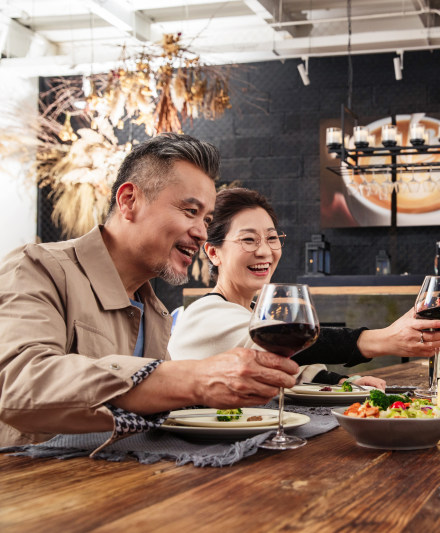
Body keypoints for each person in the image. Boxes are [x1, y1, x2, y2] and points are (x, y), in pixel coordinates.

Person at [0, 133, 299, 448]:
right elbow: (17, 383)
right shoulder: (36, 268)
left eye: (207, 219)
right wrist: (192, 378)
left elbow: (158, 413)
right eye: (189, 211)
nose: (201, 233)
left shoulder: (155, 312)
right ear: (129, 201)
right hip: (33, 485)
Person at [168, 188, 440, 388]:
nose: (265, 251)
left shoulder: (251, 310)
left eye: (272, 238)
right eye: (249, 240)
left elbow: (292, 369)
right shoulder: (205, 314)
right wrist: (384, 339)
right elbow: (289, 343)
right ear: (214, 253)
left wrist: (343, 382)